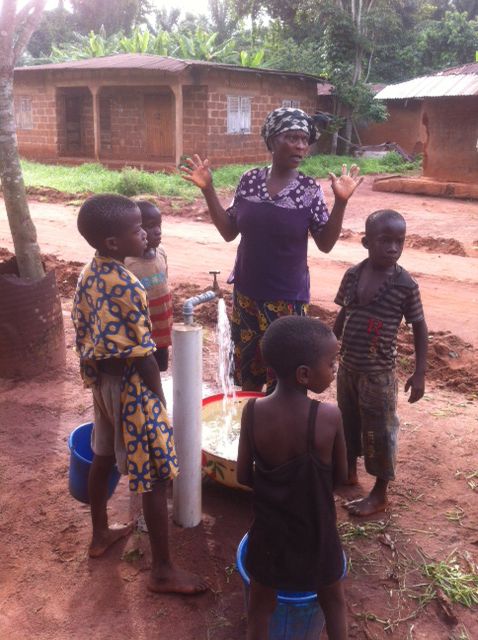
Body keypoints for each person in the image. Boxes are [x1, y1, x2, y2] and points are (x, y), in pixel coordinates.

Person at [72, 194, 206, 594]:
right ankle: (163, 571)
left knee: (102, 456)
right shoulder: (128, 284)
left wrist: (93, 375)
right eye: (137, 229)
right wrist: (158, 401)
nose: (145, 233)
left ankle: (100, 535)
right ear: (114, 242)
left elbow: (81, 328)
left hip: (103, 384)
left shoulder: (89, 272)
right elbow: (146, 354)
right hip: (133, 387)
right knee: (155, 474)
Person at [181, 106, 363, 392]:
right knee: (247, 374)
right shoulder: (249, 181)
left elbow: (325, 244)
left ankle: (281, 431)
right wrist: (208, 189)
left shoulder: (308, 190)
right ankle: (250, 427)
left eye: (305, 140)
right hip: (246, 296)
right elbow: (229, 231)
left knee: (285, 377)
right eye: (292, 137)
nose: (301, 145)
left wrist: (340, 202)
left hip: (287, 299)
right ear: (272, 141)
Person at [237, 315, 348, 640]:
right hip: (317, 531)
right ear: (304, 374)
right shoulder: (328, 417)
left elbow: (244, 475)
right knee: (334, 602)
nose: (334, 369)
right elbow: (340, 478)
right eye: (331, 363)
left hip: (269, 535)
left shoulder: (253, 412)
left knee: (259, 609)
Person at [333, 209, 428, 517]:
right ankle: (348, 471)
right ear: (366, 242)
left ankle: (379, 492)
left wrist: (420, 372)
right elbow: (343, 314)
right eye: (385, 241)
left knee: (379, 431)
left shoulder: (405, 285)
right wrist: (328, 347)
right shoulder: (352, 275)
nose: (393, 249)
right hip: (348, 367)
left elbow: (419, 326)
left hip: (378, 375)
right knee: (347, 422)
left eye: (399, 241)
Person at [125, 200, 173, 372]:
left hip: (162, 330)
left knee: (160, 368)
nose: (158, 231)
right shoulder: (128, 264)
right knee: (144, 371)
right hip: (141, 335)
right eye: (150, 226)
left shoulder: (161, 254)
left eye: (159, 225)